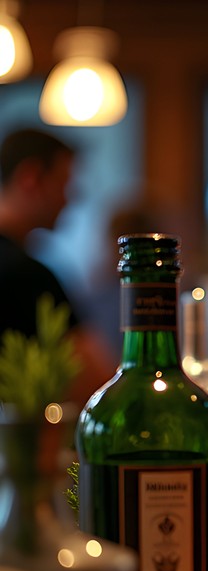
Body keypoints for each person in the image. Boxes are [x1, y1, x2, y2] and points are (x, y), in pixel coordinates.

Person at [0, 128, 117, 408]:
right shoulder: (28, 277)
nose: (70, 199)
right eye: (64, 183)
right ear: (31, 179)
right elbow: (99, 391)